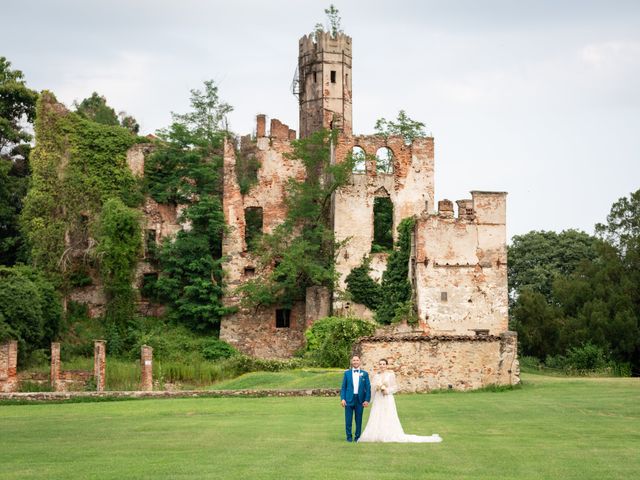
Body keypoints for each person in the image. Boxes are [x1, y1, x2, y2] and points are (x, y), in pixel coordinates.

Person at [357, 358, 442, 443]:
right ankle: (377, 434)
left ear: (386, 365)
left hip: (387, 398)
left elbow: (395, 387)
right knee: (377, 415)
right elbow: (372, 389)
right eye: (380, 364)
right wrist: (368, 400)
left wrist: (387, 391)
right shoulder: (376, 376)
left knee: (388, 415)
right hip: (378, 399)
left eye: (383, 364)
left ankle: (388, 434)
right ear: (378, 365)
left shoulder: (390, 375)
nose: (382, 366)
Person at [340, 355, 371, 442]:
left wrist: (367, 400)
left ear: (360, 361)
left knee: (359, 420)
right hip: (349, 399)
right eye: (354, 360)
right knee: (348, 420)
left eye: (357, 360)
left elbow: (368, 388)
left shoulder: (364, 374)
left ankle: (357, 437)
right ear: (351, 362)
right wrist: (342, 399)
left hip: (360, 400)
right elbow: (343, 387)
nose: (355, 362)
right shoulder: (347, 373)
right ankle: (349, 438)